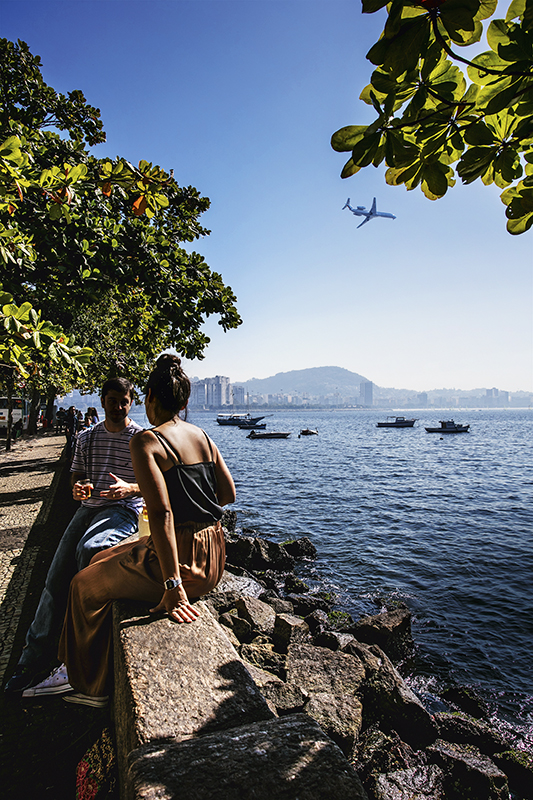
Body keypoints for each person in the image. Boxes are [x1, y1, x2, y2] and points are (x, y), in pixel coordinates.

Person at [57, 354, 235, 707]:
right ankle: (79, 663)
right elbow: (227, 494)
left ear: (148, 396)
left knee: (81, 585)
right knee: (100, 556)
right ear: (184, 404)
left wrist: (173, 587)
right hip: (213, 554)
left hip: (181, 562)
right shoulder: (201, 435)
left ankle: (87, 684)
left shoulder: (147, 441)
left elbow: (162, 513)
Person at [4, 378, 144, 695]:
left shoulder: (142, 439)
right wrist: (78, 487)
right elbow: (76, 476)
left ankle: (76, 654)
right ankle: (30, 659)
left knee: (90, 550)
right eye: (112, 400)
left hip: (122, 510)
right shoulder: (87, 437)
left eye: (124, 401)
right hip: (88, 509)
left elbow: (153, 485)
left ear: (131, 401)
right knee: (54, 577)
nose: (118, 406)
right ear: (103, 400)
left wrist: (130, 488)